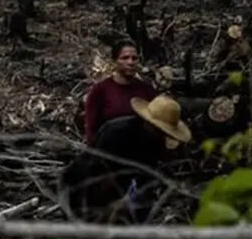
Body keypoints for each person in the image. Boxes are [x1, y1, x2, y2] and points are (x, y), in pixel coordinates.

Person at [63, 94, 192, 223]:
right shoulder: (116, 132)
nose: (162, 135)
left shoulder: (155, 141)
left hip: (121, 183)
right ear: (148, 123)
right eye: (159, 130)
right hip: (87, 182)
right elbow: (100, 170)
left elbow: (145, 176)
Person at [82, 40, 156, 146]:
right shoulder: (100, 90)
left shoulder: (146, 89)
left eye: (134, 58)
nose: (130, 62)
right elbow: (91, 130)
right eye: (125, 58)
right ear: (114, 61)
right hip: (111, 152)